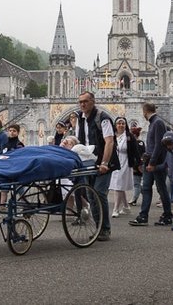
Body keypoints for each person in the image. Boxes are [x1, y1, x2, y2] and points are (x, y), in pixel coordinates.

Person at [75, 91, 115, 241]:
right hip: (87, 161)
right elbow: (80, 142)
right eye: (80, 102)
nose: (82, 104)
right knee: (91, 195)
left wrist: (104, 163)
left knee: (99, 192)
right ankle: (98, 227)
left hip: (103, 161)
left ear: (93, 101)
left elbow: (109, 141)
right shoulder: (80, 118)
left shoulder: (102, 118)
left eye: (85, 101)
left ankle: (105, 228)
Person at [129, 102, 172, 227]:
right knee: (146, 188)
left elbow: (159, 144)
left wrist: (152, 162)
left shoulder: (157, 122)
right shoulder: (154, 122)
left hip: (155, 162)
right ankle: (143, 216)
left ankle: (167, 215)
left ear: (145, 111)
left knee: (161, 189)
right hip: (149, 160)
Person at [110, 117, 137, 218]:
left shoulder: (129, 137)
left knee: (118, 185)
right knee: (119, 185)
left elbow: (135, 151)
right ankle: (126, 207)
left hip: (125, 162)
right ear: (115, 125)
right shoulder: (112, 136)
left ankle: (116, 208)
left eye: (123, 123)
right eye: (119, 123)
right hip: (114, 162)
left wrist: (137, 164)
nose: (121, 125)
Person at [128, 122, 145, 207]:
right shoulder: (142, 143)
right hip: (141, 166)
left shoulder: (134, 144)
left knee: (136, 184)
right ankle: (144, 194)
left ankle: (134, 199)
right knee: (138, 183)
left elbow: (135, 156)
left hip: (137, 166)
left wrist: (134, 166)